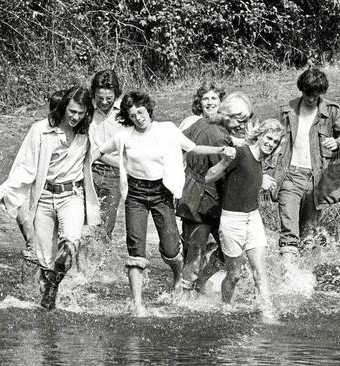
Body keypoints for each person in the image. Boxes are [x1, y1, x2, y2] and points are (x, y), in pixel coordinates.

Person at [93, 91, 235, 316]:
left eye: (140, 112)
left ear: (148, 109)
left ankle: (178, 273)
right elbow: (98, 151)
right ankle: (138, 305)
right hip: (136, 196)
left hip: (162, 193)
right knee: (135, 249)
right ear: (128, 118)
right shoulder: (124, 136)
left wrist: (220, 150)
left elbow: (193, 148)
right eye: (132, 115)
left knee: (170, 248)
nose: (138, 117)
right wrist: (78, 165)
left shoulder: (167, 129)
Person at [0, 86, 99, 310]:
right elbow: (25, 165)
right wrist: (5, 189)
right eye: (72, 111)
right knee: (43, 257)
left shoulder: (88, 132)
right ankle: (49, 294)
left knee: (71, 241)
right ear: (64, 106)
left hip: (72, 195)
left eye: (81, 113)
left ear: (87, 113)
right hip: (44, 196)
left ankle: (54, 284)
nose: (75, 117)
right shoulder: (42, 130)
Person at [268, 68, 340, 263]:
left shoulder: (332, 111)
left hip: (317, 180)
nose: (311, 99)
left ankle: (305, 283)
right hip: (289, 177)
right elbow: (271, 139)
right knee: (289, 233)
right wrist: (266, 172)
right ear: (301, 90)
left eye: (315, 95)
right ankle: (288, 281)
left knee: (308, 235)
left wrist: (338, 143)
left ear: (321, 92)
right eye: (307, 94)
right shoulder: (286, 110)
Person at [204, 119, 285, 317]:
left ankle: (267, 312)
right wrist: (224, 161)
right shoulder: (240, 153)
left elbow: (247, 179)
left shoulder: (260, 162)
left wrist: (261, 179)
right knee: (235, 275)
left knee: (260, 270)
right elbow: (208, 178)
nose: (271, 144)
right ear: (259, 135)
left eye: (275, 141)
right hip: (232, 220)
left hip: (253, 218)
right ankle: (225, 306)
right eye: (268, 138)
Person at [176, 92, 254, 296]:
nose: (242, 126)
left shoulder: (202, 122)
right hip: (206, 200)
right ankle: (188, 294)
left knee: (194, 252)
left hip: (191, 194)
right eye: (240, 120)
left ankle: (192, 288)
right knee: (213, 253)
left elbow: (181, 147)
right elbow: (223, 173)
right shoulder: (219, 136)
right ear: (228, 114)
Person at [18, 89, 66, 282]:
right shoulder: (40, 132)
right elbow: (24, 169)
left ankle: (45, 286)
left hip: (49, 199)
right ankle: (28, 290)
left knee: (51, 247)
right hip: (29, 199)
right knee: (34, 246)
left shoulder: (68, 137)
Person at [88, 70, 124, 238]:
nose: (103, 102)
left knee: (105, 227)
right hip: (89, 170)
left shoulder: (125, 111)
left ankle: (99, 263)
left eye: (108, 99)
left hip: (115, 175)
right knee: (85, 221)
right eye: (99, 97)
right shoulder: (87, 109)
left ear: (115, 94)